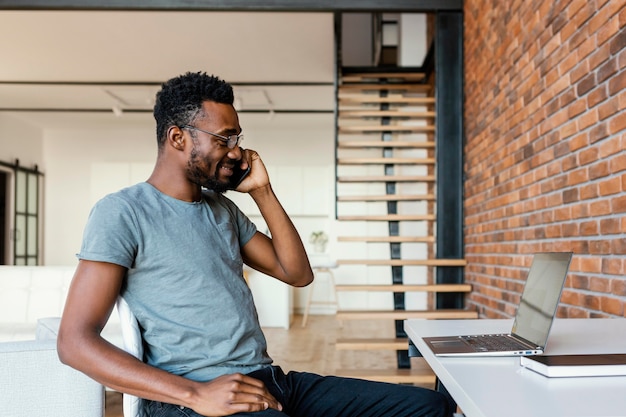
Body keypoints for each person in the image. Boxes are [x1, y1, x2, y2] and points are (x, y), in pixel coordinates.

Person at [57, 71, 452, 417]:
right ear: (178, 137)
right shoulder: (122, 212)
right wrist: (197, 394)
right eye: (223, 138)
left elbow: (297, 274)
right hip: (194, 399)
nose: (236, 151)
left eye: (237, 138)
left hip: (269, 381)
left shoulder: (222, 210)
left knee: (426, 407)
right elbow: (75, 343)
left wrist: (262, 191)